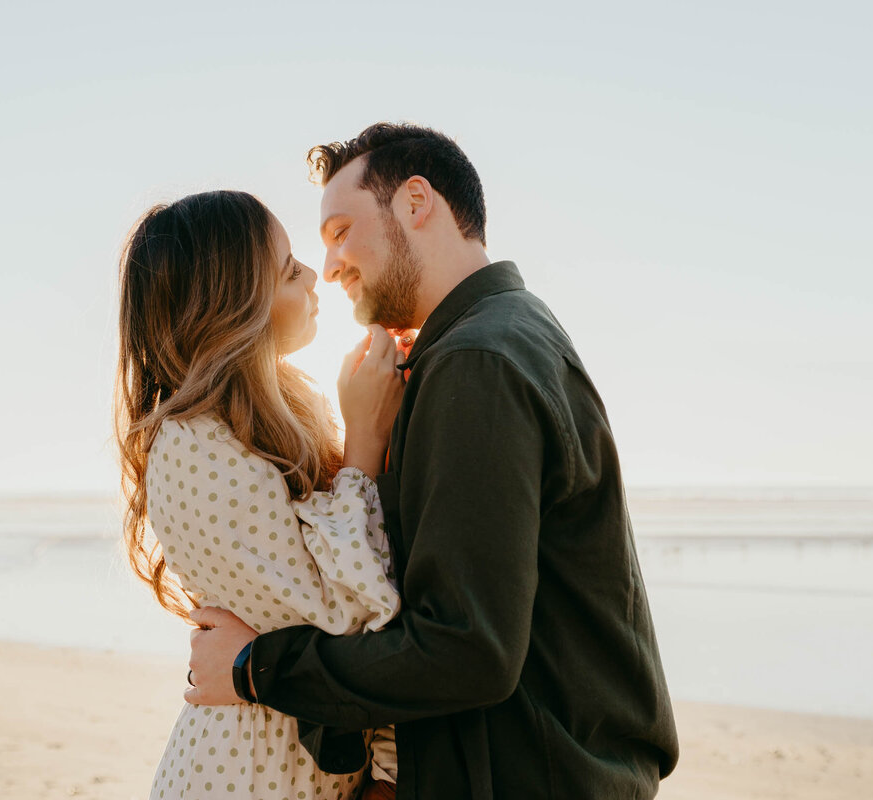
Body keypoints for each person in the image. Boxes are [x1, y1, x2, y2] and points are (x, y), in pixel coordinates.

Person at [185, 124, 680, 799]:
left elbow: (465, 649)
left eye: (339, 232)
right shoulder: (502, 334)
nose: (328, 266)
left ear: (417, 203)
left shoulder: (477, 362)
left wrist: (254, 669)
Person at [114, 190, 410, 799]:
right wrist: (364, 440)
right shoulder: (194, 447)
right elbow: (343, 621)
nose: (314, 277)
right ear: (232, 307)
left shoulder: (282, 414)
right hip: (247, 776)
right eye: (287, 270)